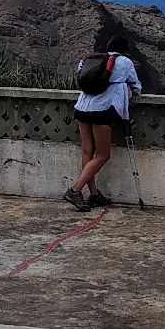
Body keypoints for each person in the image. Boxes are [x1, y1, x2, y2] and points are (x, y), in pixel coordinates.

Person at [66, 31, 140, 210]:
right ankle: (75, 191)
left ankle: (94, 195)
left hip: (82, 107)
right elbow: (137, 86)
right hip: (103, 111)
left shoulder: (89, 59)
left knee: (87, 152)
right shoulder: (125, 62)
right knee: (102, 155)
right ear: (124, 50)